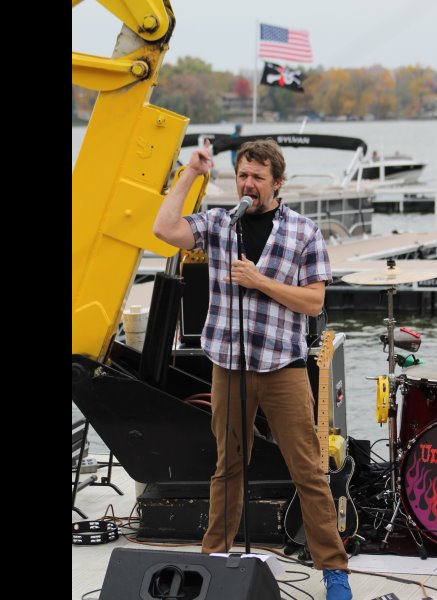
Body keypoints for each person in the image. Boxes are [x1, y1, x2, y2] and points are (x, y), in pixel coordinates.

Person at [153, 139, 352, 600]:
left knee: (308, 470)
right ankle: (212, 562)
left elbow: (314, 301)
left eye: (257, 177)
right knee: (227, 468)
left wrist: (260, 281)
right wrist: (190, 171)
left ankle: (333, 569)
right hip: (229, 366)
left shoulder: (303, 231)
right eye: (243, 175)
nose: (248, 184)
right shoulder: (221, 224)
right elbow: (164, 228)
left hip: (283, 367)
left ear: (277, 183)